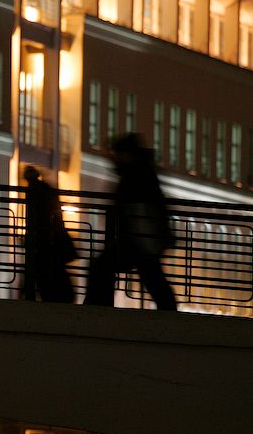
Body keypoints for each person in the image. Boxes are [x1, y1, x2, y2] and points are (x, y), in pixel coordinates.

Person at [83, 133, 177, 310]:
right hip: (142, 237)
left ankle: (98, 308)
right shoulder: (141, 170)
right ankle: (169, 311)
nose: (113, 157)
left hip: (138, 237)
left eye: (116, 153)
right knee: (151, 276)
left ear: (126, 153)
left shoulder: (135, 173)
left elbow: (132, 203)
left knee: (102, 266)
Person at [22, 165, 76, 303]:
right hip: (50, 240)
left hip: (43, 240)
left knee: (42, 273)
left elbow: (34, 218)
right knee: (52, 273)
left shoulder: (34, 190)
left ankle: (33, 295)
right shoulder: (45, 189)